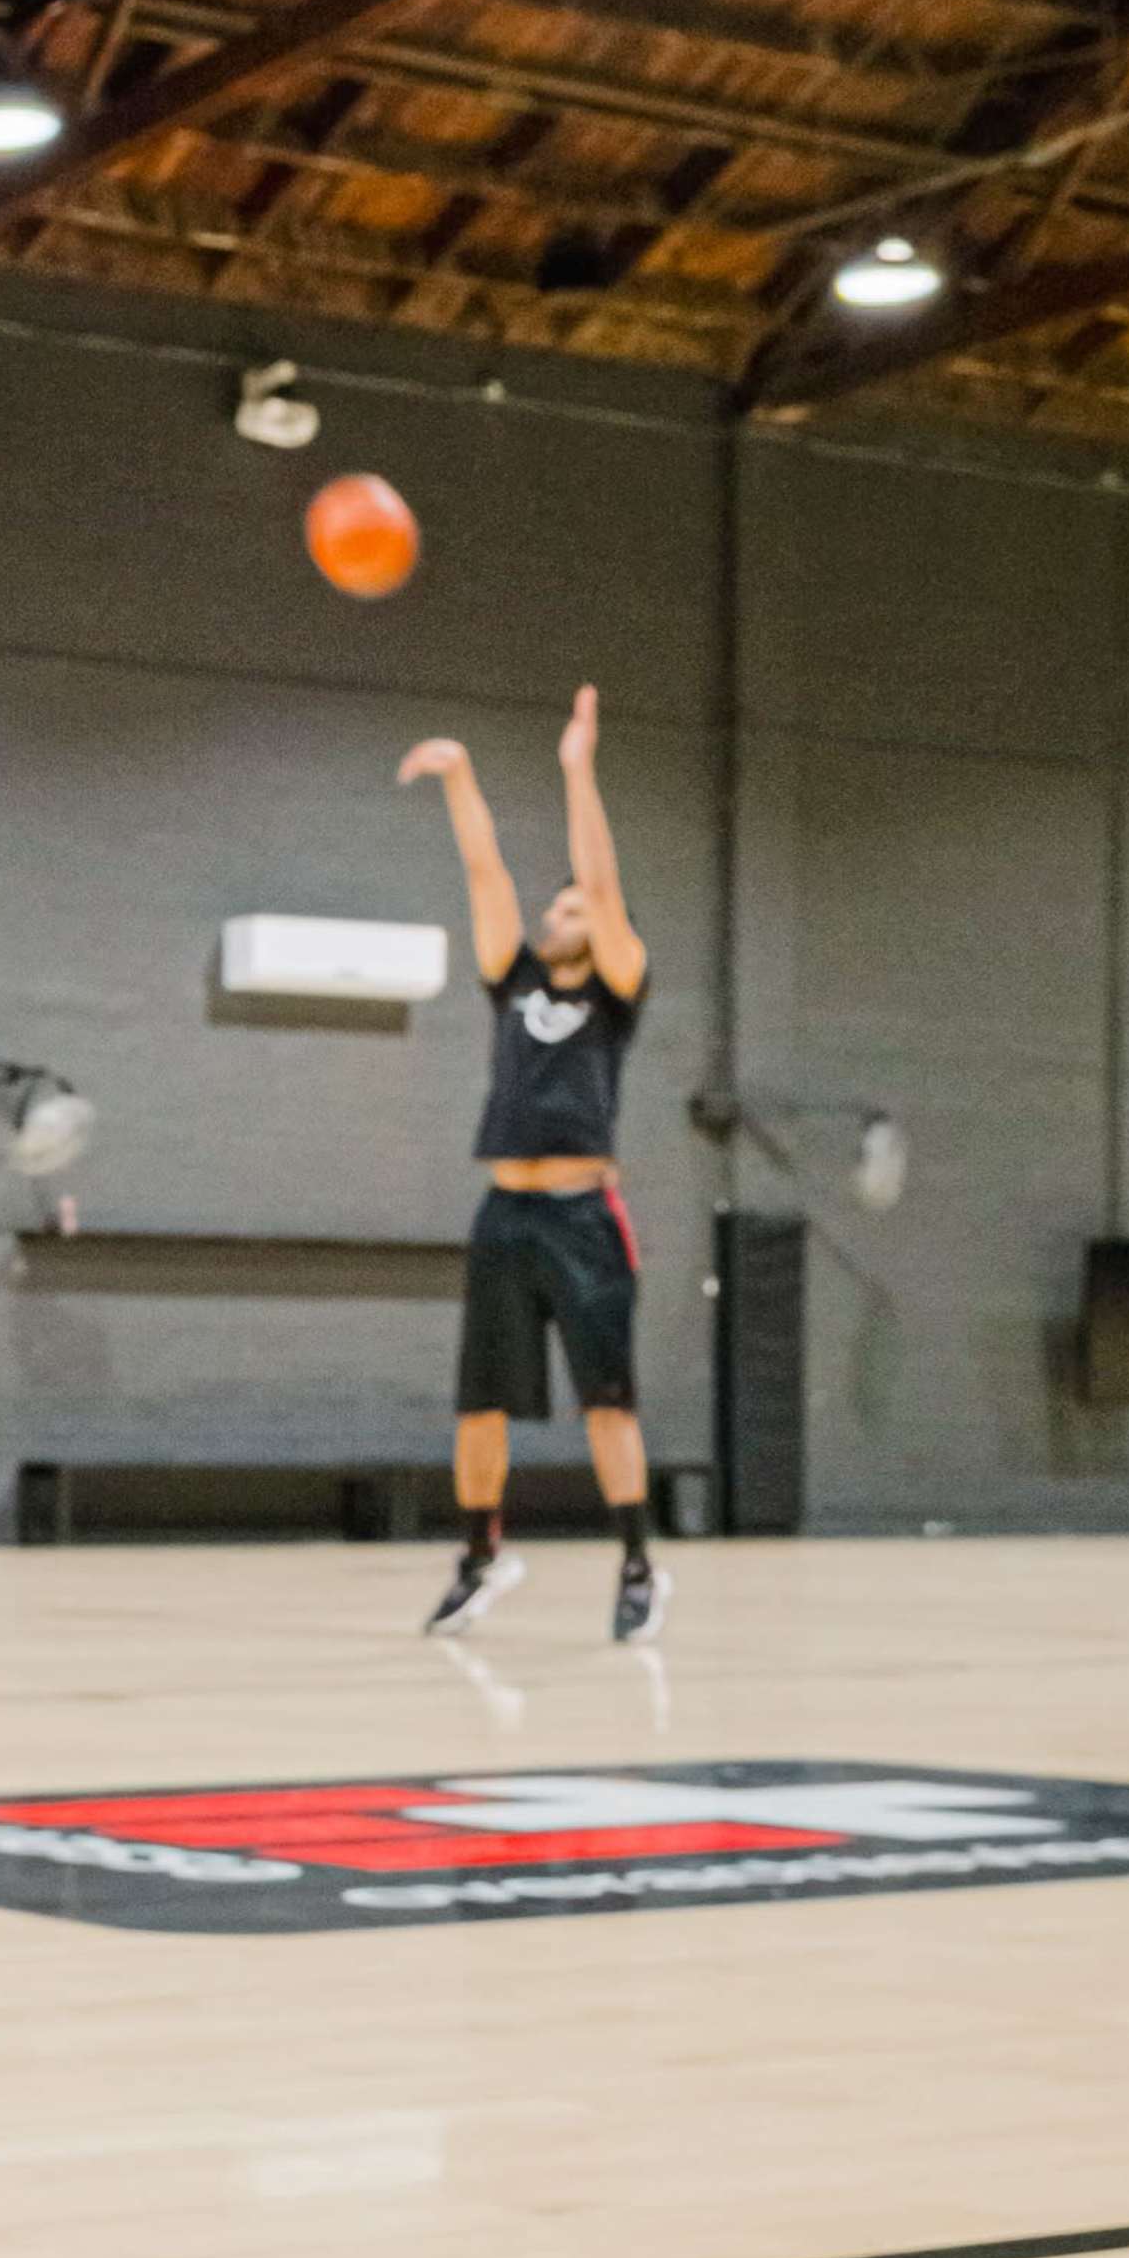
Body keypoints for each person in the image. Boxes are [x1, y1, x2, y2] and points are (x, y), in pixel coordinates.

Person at [396, 683, 661, 1645]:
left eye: (578, 902)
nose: (564, 906)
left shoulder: (618, 991)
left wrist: (577, 769)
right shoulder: (512, 979)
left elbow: (604, 877)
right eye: (559, 900)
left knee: (606, 1405)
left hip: (584, 1217)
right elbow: (485, 875)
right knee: (480, 1407)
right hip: (504, 1215)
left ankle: (636, 1564)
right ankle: (478, 1558)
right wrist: (461, 777)